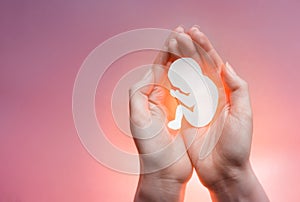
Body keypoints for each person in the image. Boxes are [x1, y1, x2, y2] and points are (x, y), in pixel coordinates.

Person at [129, 25, 269, 202]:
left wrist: (230, 175)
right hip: (193, 112)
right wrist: (161, 179)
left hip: (198, 111)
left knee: (182, 108)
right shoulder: (186, 90)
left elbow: (187, 99)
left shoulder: (199, 91)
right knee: (180, 109)